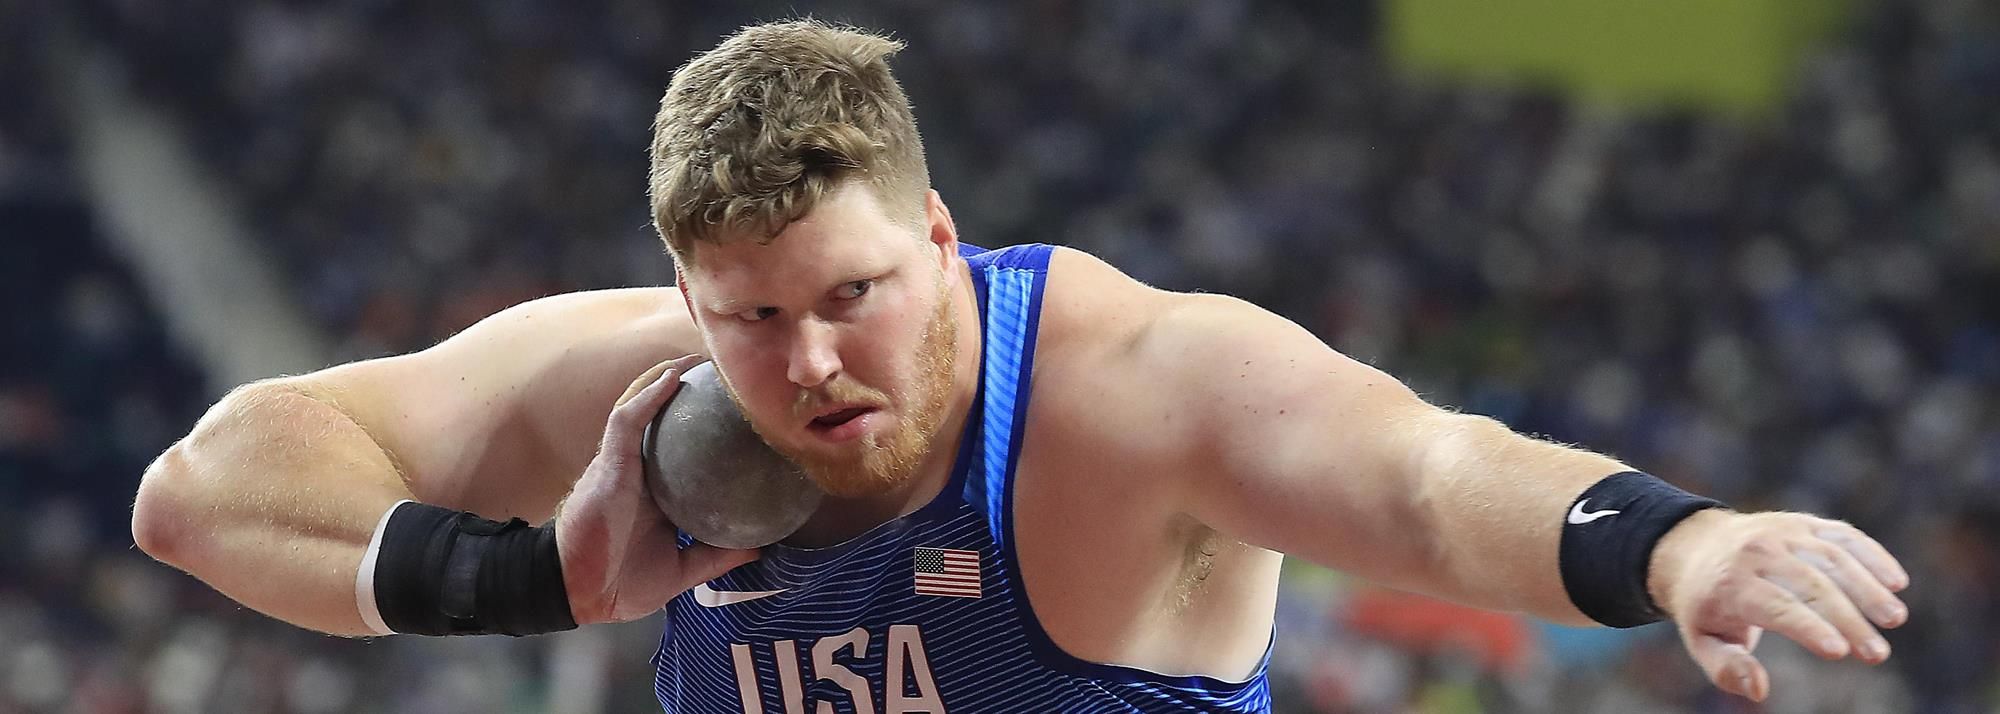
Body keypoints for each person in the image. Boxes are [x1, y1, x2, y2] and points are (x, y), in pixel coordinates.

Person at [132, 19, 1911, 713]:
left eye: (850, 293)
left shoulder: (1131, 389)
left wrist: (1669, 541)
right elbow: (203, 491)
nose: (808, 362)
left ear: (937, 233)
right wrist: (531, 579)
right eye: (748, 317)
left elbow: (1428, 478)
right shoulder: (634, 389)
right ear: (685, 293)